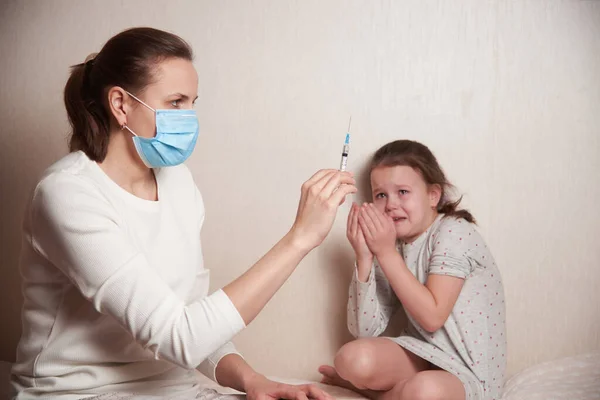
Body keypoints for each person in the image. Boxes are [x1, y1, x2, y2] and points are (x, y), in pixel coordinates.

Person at [10, 27, 357, 400]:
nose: (189, 117)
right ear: (120, 104)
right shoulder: (67, 194)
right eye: (176, 102)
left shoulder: (177, 182)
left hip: (174, 389)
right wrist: (299, 240)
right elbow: (180, 338)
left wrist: (254, 381)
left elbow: (194, 318)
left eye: (193, 102)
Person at [319, 140, 506, 400]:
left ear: (433, 195)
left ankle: (380, 396)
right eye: (381, 195)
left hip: (468, 373)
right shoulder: (393, 243)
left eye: (403, 192)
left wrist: (384, 253)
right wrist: (364, 257)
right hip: (422, 355)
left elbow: (432, 317)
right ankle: (396, 393)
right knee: (350, 359)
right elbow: (365, 332)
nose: (391, 204)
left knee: (421, 391)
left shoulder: (453, 231)